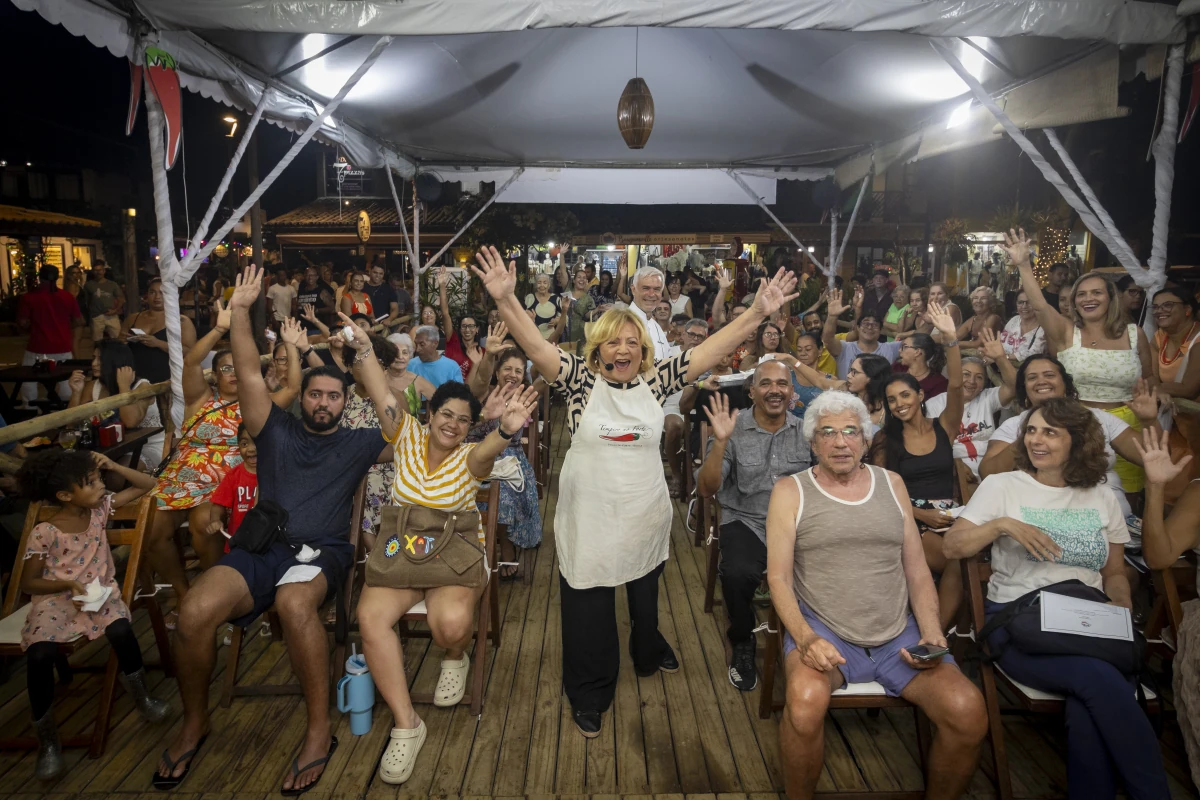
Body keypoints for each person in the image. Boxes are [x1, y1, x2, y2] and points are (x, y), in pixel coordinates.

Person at [473, 244, 798, 737]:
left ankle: (648, 648)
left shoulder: (657, 378)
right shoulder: (579, 381)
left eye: (631, 342)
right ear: (597, 349)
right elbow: (537, 348)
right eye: (612, 342)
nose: (622, 350)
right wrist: (505, 299)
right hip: (591, 517)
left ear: (643, 351)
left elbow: (709, 350)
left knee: (646, 594)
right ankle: (591, 687)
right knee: (589, 604)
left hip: (644, 511)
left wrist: (756, 311)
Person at [155, 266, 393, 794]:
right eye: (316, 395)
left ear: (345, 402)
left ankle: (316, 731)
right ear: (302, 396)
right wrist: (239, 311)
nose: (324, 403)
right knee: (193, 612)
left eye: (335, 396)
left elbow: (400, 427)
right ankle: (194, 722)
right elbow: (245, 368)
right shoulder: (271, 428)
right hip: (261, 547)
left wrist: (364, 358)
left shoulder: (358, 442)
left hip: (323, 552)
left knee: (293, 603)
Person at [346, 314, 537, 785]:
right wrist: (361, 344)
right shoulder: (404, 433)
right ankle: (408, 724)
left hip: (452, 552)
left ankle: (454, 654)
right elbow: (377, 390)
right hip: (400, 553)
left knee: (448, 624)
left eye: (462, 419)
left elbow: (489, 448)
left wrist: (507, 429)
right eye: (445, 414)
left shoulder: (470, 457)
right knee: (370, 619)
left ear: (470, 426)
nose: (452, 424)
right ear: (430, 415)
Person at [767, 390, 987, 800]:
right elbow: (777, 578)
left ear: (866, 440)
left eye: (851, 431)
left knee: (968, 711)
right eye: (827, 432)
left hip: (898, 635)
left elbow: (917, 569)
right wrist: (806, 636)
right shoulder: (791, 490)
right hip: (825, 630)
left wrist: (931, 631)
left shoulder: (892, 483)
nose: (840, 442)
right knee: (803, 702)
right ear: (813, 443)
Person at [945, 399, 1169, 799]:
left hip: (1087, 620)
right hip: (1019, 621)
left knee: (1089, 701)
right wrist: (1002, 524)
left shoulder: (1100, 496)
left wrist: (1120, 604)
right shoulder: (1003, 486)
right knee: (1101, 680)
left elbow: (1114, 572)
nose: (1035, 440)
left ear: (1077, 441)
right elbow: (953, 546)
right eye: (1031, 430)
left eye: (1050, 432)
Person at [16, 449, 167, 781]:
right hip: (56, 601)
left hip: (99, 595)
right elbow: (28, 581)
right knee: (40, 654)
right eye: (91, 482)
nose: (100, 485)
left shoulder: (100, 510)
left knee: (122, 631)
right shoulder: (45, 531)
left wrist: (113, 465)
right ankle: (48, 740)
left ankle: (142, 697)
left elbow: (149, 483)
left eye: (99, 479)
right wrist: (67, 583)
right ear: (65, 495)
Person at [1003, 228, 1155, 493]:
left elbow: (1151, 378)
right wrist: (1024, 265)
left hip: (1129, 424)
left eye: (1096, 293)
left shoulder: (1134, 334)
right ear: (1074, 301)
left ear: (1110, 298)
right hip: (1076, 424)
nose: (1088, 299)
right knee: (1077, 493)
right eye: (1081, 294)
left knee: (1125, 498)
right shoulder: (1066, 332)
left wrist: (1159, 393)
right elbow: (1040, 306)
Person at [696, 362, 810, 691]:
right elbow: (706, 488)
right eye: (766, 384)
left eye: (782, 384)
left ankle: (816, 636)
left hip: (798, 523)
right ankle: (742, 639)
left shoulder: (807, 431)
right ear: (752, 391)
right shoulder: (732, 428)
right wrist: (719, 443)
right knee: (737, 573)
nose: (774, 390)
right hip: (746, 519)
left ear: (791, 392)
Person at [144, 302, 245, 609]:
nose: (232, 374)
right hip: (180, 478)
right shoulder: (200, 399)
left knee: (204, 527)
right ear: (214, 374)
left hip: (222, 483)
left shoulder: (253, 406)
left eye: (238, 368)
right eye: (226, 368)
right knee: (151, 529)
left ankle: (214, 593)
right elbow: (190, 362)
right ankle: (183, 592)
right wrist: (219, 329)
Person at [873, 302, 964, 629]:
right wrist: (921, 514)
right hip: (912, 520)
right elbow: (882, 494)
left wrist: (950, 338)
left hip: (953, 517)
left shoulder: (945, 427)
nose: (899, 404)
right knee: (959, 563)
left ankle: (934, 634)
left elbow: (955, 385)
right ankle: (937, 635)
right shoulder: (886, 440)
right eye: (892, 400)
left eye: (905, 396)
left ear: (921, 395)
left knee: (965, 552)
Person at [978, 354, 1158, 518]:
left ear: (1065, 383)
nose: (1041, 381)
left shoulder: (1098, 418)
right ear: (1025, 389)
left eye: (1049, 375)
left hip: (1112, 518)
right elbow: (987, 473)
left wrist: (1149, 421)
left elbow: (1153, 458)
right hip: (1044, 519)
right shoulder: (1014, 426)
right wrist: (1032, 434)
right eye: (1032, 377)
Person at [464, 347, 544, 579]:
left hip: (510, 459)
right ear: (497, 372)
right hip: (477, 454)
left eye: (518, 370)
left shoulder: (523, 398)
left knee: (503, 497)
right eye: (507, 368)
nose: (513, 374)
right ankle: (475, 549)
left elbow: (545, 381)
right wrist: (484, 417)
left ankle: (504, 547)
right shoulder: (481, 394)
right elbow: (466, 427)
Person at [924, 329, 1018, 480]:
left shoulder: (986, 398)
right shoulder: (935, 404)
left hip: (991, 471)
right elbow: (932, 446)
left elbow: (1014, 387)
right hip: (954, 472)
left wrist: (1000, 358)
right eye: (966, 374)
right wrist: (955, 466)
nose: (972, 382)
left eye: (979, 377)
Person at [66, 341, 166, 471]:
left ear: (116, 361)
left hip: (145, 447)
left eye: (100, 359)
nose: (94, 363)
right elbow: (71, 426)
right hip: (110, 447)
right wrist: (76, 393)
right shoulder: (92, 386)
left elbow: (130, 422)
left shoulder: (142, 387)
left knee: (115, 476)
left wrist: (124, 386)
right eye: (93, 358)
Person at [338, 335, 400, 544]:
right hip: (346, 469)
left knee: (368, 484)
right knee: (357, 485)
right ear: (348, 365)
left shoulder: (395, 398)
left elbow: (402, 443)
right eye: (358, 361)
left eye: (373, 361)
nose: (364, 366)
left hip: (386, 471)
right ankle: (372, 557)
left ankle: (369, 554)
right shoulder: (340, 397)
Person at [16, 265, 82, 405]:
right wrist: (63, 326)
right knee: (67, 382)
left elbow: (22, 323)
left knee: (28, 381)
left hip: (37, 346)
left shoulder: (29, 297)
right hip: (62, 346)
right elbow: (79, 320)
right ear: (57, 277)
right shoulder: (67, 297)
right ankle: (66, 408)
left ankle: (30, 409)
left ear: (40, 278)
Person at [663, 318, 709, 498]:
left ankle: (702, 477)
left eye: (700, 336)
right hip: (672, 405)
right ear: (683, 335)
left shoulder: (709, 357)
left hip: (701, 406)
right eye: (692, 334)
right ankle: (676, 475)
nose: (696, 339)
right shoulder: (669, 353)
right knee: (674, 427)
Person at [122, 278, 198, 385]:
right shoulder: (132, 318)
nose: (157, 297)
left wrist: (158, 343)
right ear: (146, 295)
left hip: (168, 378)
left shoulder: (182, 321)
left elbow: (190, 352)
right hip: (136, 379)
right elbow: (118, 349)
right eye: (152, 292)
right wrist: (122, 342)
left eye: (163, 293)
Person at [822, 288, 901, 378]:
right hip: (847, 392)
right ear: (858, 328)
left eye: (875, 324)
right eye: (865, 323)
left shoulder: (890, 349)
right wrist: (832, 316)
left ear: (880, 329)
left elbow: (918, 341)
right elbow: (827, 339)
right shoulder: (845, 348)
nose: (870, 327)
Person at [436, 267, 484, 382]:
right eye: (464, 326)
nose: (467, 329)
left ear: (476, 329)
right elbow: (445, 313)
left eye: (471, 326)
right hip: (448, 388)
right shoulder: (453, 341)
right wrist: (442, 286)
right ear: (460, 329)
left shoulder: (482, 351)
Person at [620, 264, 673, 360]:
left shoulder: (655, 326)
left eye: (657, 289)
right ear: (633, 290)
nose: (651, 294)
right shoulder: (621, 323)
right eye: (646, 288)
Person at [384, 333, 437, 416]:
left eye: (405, 353)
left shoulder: (417, 381)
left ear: (410, 356)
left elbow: (441, 402)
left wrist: (430, 422)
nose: (400, 357)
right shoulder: (378, 378)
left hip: (411, 428)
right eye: (395, 353)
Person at [893, 332, 949, 399]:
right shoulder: (896, 368)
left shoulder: (939, 383)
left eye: (905, 347)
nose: (899, 350)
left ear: (917, 352)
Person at [82, 260, 125, 342]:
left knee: (117, 338)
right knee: (97, 341)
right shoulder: (88, 285)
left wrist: (115, 310)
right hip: (96, 316)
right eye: (96, 270)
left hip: (111, 315)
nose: (98, 273)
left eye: (100, 270)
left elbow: (121, 299)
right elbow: (86, 300)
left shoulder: (112, 284)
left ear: (104, 271)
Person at [998, 289, 1045, 362]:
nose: (1024, 306)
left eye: (1029, 302)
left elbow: (1034, 353)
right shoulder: (1014, 320)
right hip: (1002, 365)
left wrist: (1005, 357)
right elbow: (1001, 342)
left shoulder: (1043, 326)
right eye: (1020, 302)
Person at [558, 267, 598, 352]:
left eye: (584, 278)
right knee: (565, 355)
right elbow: (563, 272)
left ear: (586, 282)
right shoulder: (567, 292)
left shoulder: (588, 298)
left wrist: (597, 309)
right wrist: (561, 255)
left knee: (579, 356)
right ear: (574, 280)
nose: (582, 280)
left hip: (580, 332)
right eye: (579, 277)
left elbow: (589, 317)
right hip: (564, 330)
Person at [295, 267, 336, 336]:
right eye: (308, 275)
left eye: (312, 275)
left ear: (317, 277)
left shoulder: (322, 292)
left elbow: (331, 308)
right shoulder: (301, 291)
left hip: (317, 329)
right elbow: (297, 307)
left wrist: (317, 310)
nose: (310, 277)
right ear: (304, 277)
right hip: (302, 329)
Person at [523, 273, 561, 339]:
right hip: (532, 336)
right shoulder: (529, 297)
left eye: (545, 282)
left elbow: (563, 317)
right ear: (535, 285)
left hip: (551, 337)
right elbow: (522, 316)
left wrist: (556, 321)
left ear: (549, 285)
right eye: (539, 282)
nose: (542, 285)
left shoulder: (556, 298)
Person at [364, 263, 401, 328]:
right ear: (370, 271)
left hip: (383, 325)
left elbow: (395, 309)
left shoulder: (388, 288)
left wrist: (389, 319)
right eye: (375, 272)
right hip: (365, 325)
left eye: (381, 274)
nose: (377, 276)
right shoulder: (362, 287)